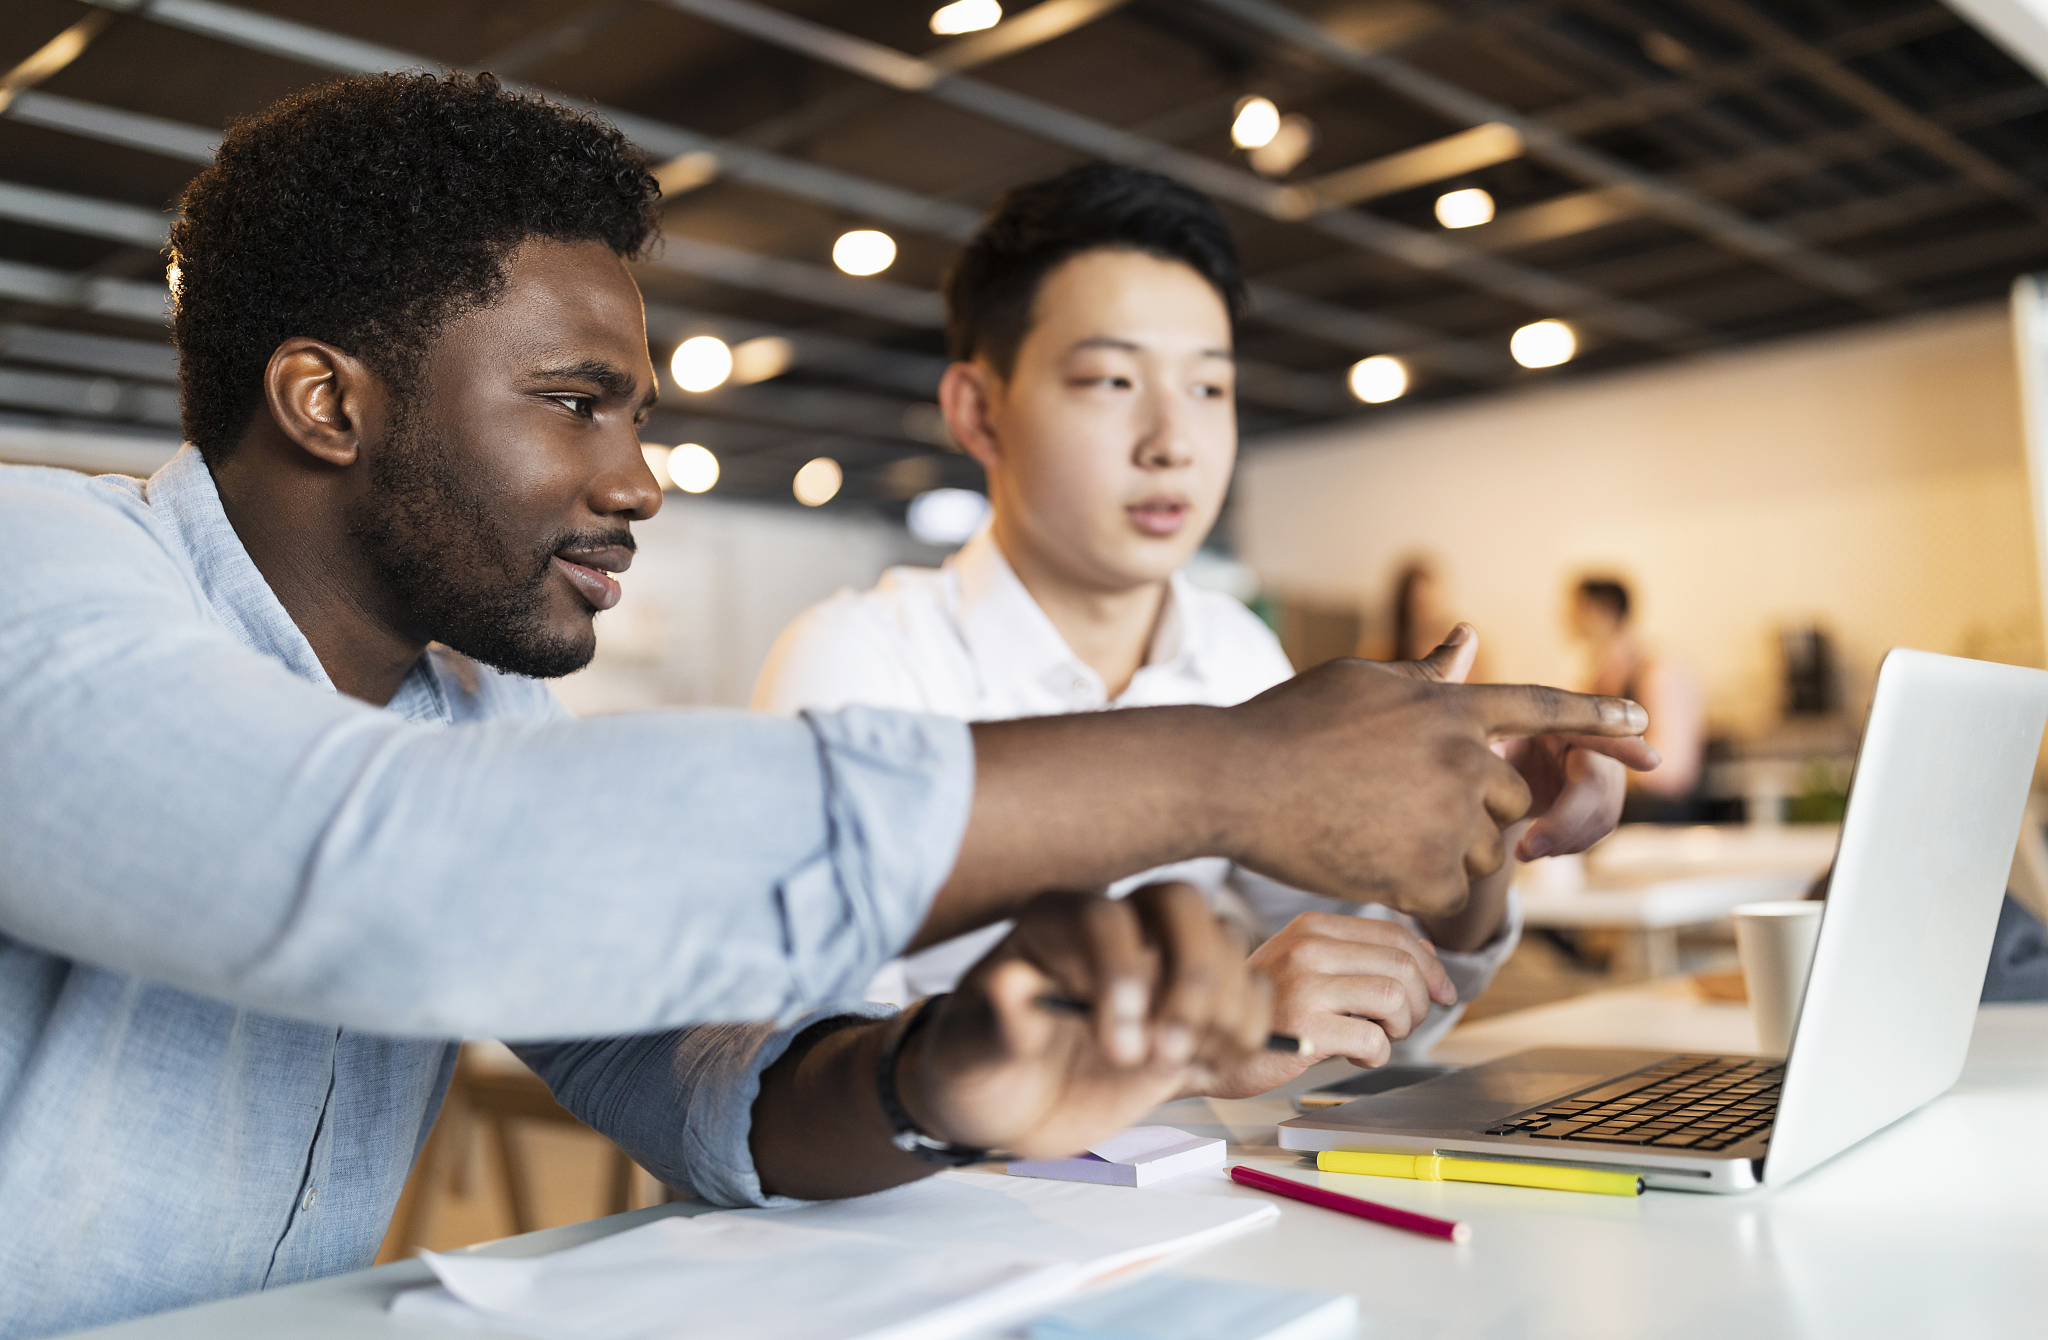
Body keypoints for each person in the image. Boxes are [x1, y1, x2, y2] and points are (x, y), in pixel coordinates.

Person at [0, 76, 1653, 1338]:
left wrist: (944, 1075)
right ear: (325, 403)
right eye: (575, 404)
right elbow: (379, 872)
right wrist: (1221, 771)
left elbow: (696, 1071)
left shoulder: (469, 715)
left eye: (635, 416)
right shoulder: (36, 563)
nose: (636, 482)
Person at [755, 163, 1650, 1095]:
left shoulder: (1233, 656)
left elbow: (1376, 1000)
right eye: (1110, 379)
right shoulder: (861, 659)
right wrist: (1203, 1034)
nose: (1172, 440)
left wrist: (1492, 825)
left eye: (1210, 388)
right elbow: (798, 1074)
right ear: (978, 411)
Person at [1570, 576, 1706, 819]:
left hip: (1657, 818)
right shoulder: (1598, 678)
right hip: (1622, 811)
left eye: (1576, 608)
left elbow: (1669, 770)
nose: (1567, 617)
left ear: (1603, 611)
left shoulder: (1659, 672)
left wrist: (1596, 769)